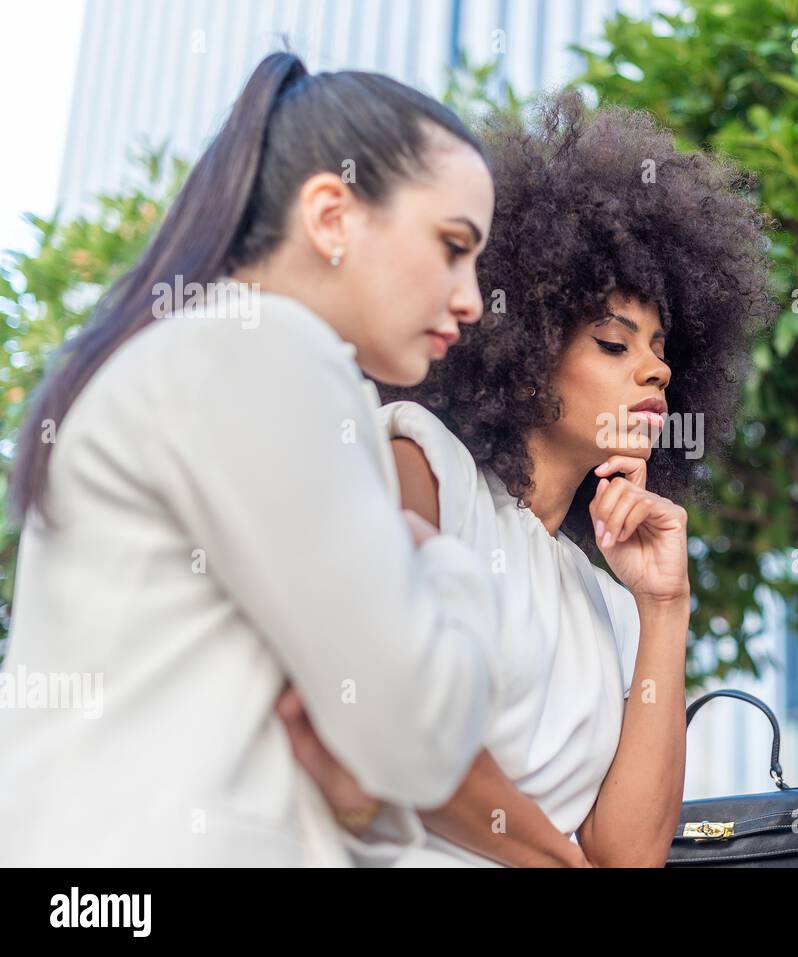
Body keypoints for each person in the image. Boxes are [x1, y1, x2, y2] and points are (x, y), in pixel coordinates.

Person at [0, 52, 501, 866]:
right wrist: (450, 570)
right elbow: (420, 733)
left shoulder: (207, 351)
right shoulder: (267, 349)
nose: (472, 296)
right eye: (452, 246)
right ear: (332, 214)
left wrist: (361, 793)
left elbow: (364, 760)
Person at [279, 92, 776, 866]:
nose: (657, 367)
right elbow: (375, 709)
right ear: (526, 345)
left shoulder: (609, 602)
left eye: (662, 346)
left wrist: (664, 604)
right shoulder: (427, 467)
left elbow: (630, 854)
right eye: (614, 343)